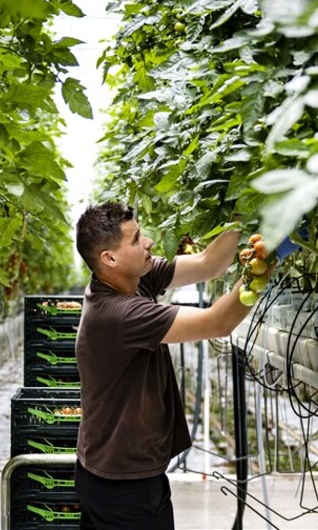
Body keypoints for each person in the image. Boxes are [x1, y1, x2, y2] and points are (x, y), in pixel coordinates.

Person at [73, 202, 264, 529]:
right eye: (135, 240)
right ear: (110, 258)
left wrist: (239, 209)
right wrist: (263, 267)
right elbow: (217, 322)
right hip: (123, 485)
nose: (147, 243)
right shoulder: (119, 314)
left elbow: (210, 263)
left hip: (116, 472)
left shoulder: (136, 279)